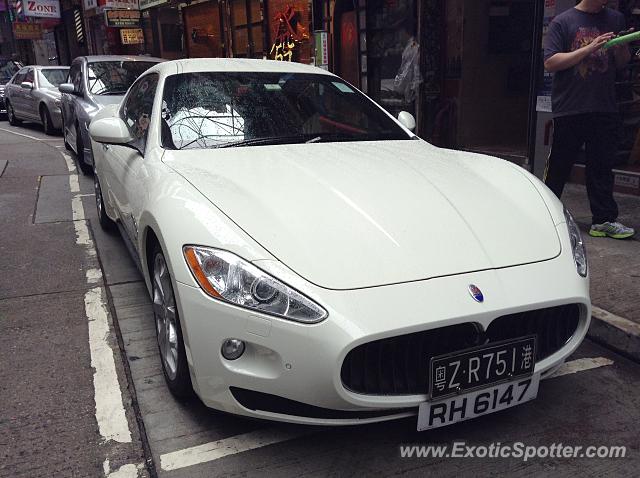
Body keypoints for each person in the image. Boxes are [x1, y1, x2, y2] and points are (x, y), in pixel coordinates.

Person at [543, 0, 635, 239]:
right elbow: (551, 62)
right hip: (570, 107)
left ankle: (603, 220)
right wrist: (590, 48)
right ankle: (543, 216)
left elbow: (621, 63)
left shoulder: (615, 19)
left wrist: (620, 49)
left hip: (604, 106)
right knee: (559, 167)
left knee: (602, 167)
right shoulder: (563, 22)